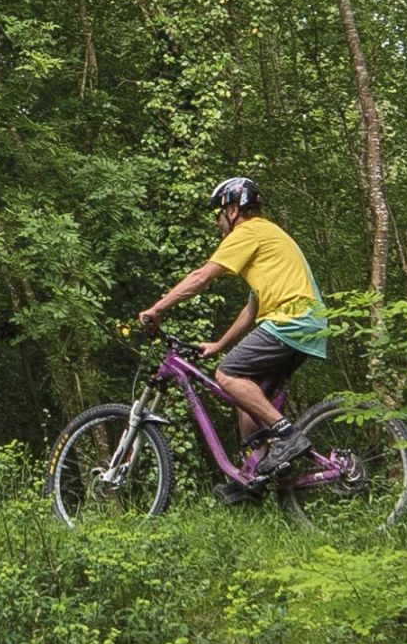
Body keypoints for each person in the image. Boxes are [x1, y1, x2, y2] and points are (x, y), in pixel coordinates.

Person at [139, 177, 328, 504]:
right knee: (247, 395)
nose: (217, 221)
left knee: (228, 375)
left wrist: (157, 309)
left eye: (219, 213)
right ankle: (254, 475)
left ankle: (287, 436)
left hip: (291, 320)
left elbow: (201, 277)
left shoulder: (247, 231)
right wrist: (219, 345)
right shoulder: (268, 236)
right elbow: (253, 306)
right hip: (305, 322)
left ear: (233, 208)